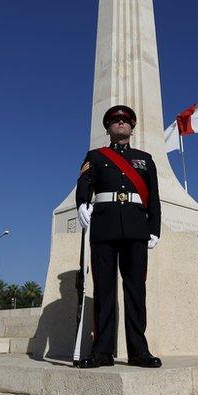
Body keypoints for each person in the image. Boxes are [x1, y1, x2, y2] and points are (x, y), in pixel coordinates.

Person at [74, 105, 162, 369]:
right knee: (104, 291)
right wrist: (81, 204)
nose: (120, 124)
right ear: (108, 128)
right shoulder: (96, 156)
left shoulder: (144, 159)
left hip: (136, 229)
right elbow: (84, 184)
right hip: (104, 227)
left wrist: (154, 229)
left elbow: (154, 198)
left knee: (136, 290)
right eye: (115, 121)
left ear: (132, 127)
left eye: (125, 121)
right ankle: (101, 352)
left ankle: (138, 351)